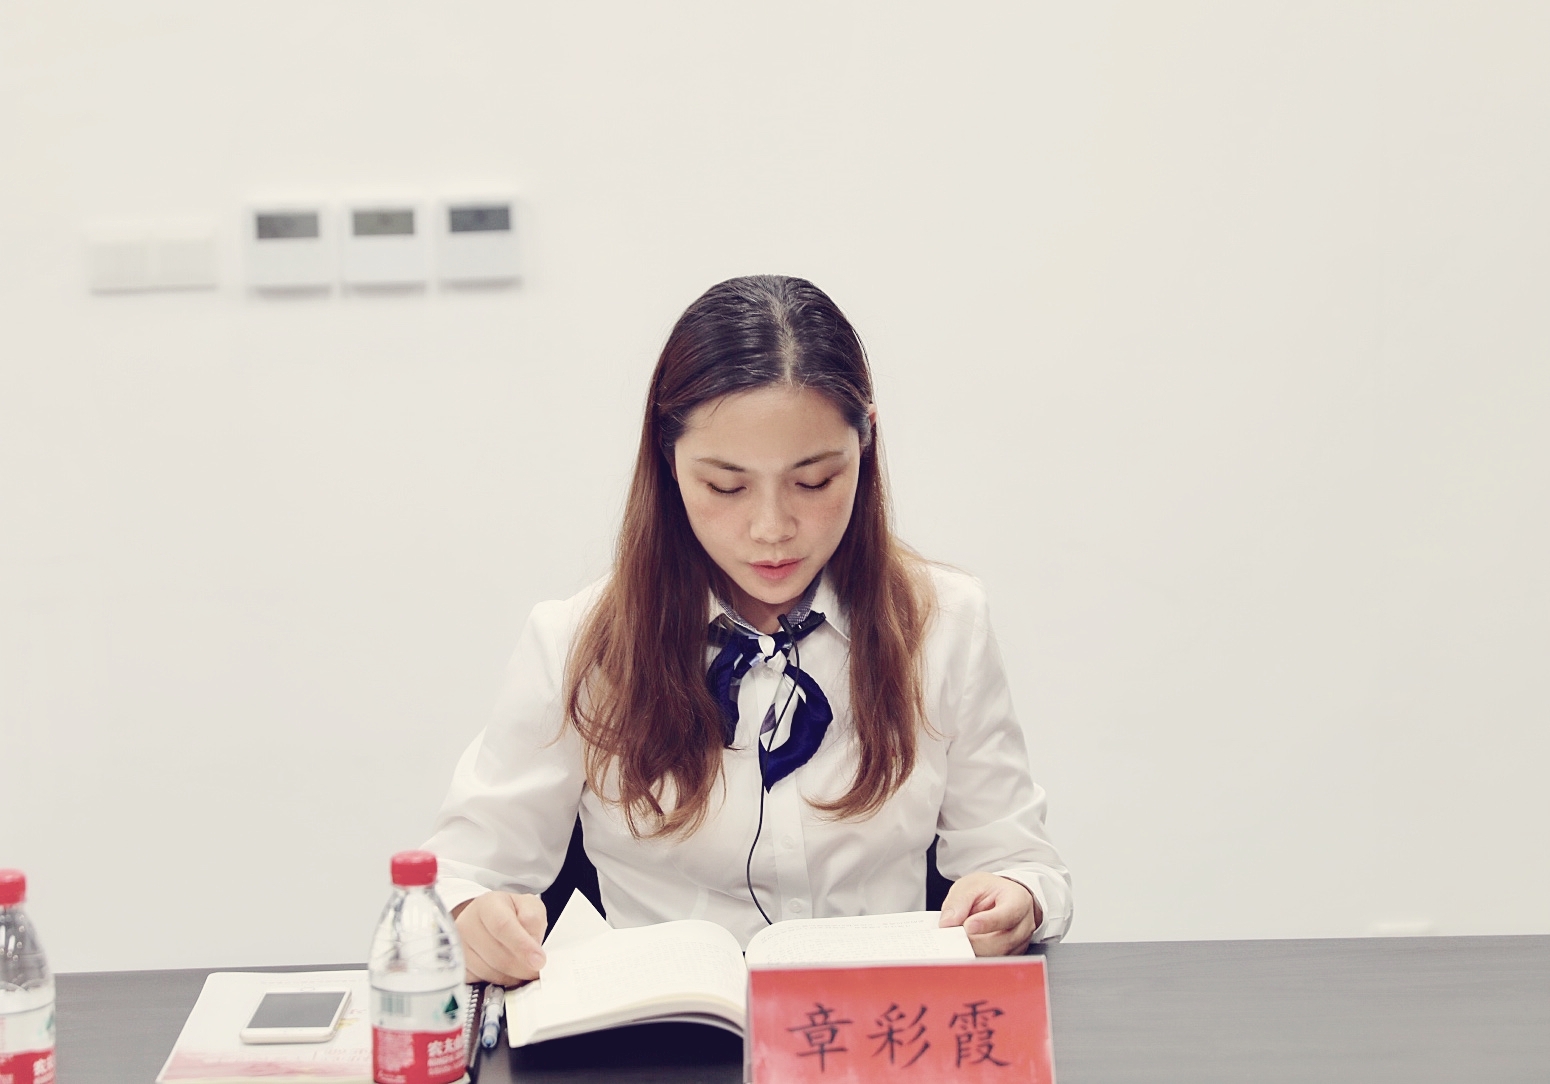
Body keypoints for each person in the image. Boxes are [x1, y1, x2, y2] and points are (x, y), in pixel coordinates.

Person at [424, 275, 1072, 986]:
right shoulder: (579, 642)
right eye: (725, 487)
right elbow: (457, 878)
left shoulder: (944, 623)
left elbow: (1020, 859)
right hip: (665, 1028)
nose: (771, 528)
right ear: (669, 464)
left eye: (815, 481)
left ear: (865, 444)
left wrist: (1016, 896)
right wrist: (472, 917)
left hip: (871, 1025)